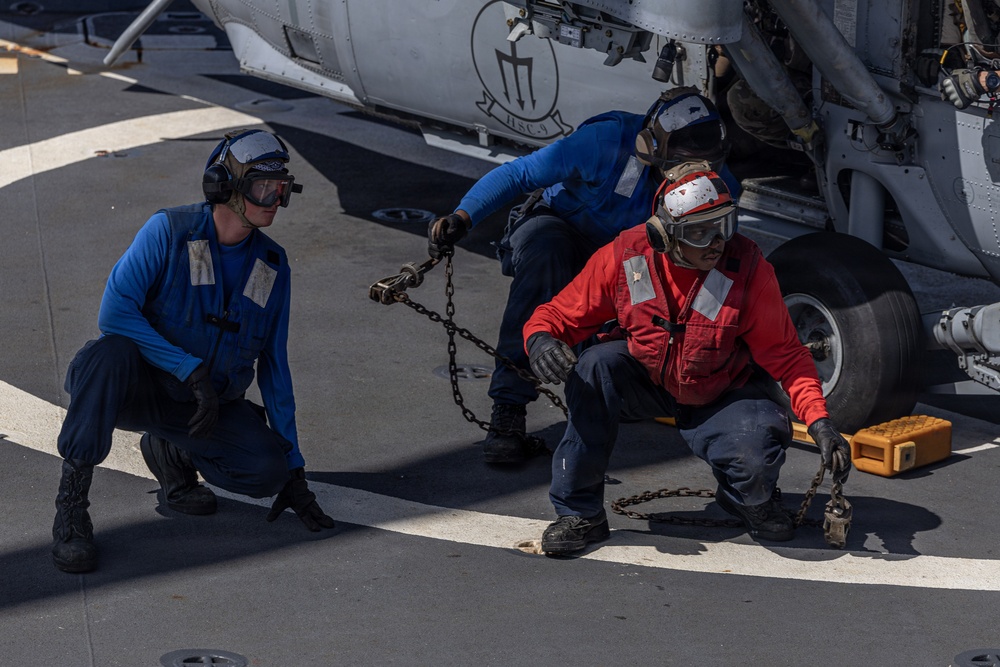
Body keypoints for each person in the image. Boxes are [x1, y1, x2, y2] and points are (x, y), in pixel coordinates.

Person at [522, 168, 852, 555]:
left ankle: (747, 498)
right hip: (646, 378)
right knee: (593, 367)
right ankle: (581, 515)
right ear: (665, 235)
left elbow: (786, 356)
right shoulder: (626, 259)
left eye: (723, 226)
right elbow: (556, 315)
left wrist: (820, 421)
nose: (716, 243)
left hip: (721, 390)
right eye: (699, 232)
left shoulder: (747, 269)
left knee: (756, 451)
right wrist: (540, 341)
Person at [50, 128, 335, 574]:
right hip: (137, 389)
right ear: (225, 186)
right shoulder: (168, 230)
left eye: (281, 190)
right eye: (264, 188)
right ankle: (71, 508)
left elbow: (275, 368)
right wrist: (189, 369)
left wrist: (294, 466)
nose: (274, 200)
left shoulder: (271, 267)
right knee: (108, 355)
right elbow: (115, 313)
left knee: (265, 471)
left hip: (205, 407)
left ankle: (173, 452)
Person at [427, 89, 738, 464]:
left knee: (618, 339)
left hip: (629, 256)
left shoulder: (720, 186)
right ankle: (508, 410)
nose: (695, 178)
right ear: (652, 149)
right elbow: (521, 172)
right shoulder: (605, 142)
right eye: (682, 164)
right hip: (561, 228)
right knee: (546, 256)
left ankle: (618, 392)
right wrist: (463, 217)